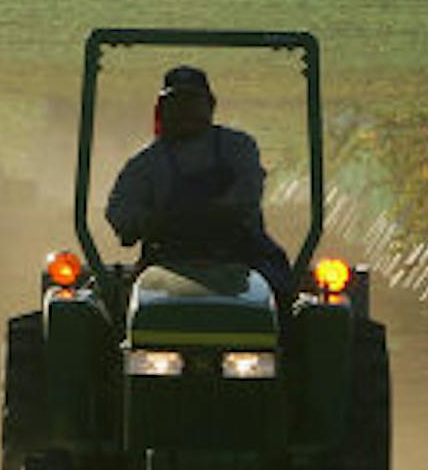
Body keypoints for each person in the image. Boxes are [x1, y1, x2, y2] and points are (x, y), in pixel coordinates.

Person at [104, 65, 296, 298]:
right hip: (168, 259)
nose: (185, 111)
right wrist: (149, 221)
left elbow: (248, 192)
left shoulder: (237, 147)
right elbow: (120, 210)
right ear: (163, 110)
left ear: (210, 106)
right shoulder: (147, 163)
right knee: (118, 300)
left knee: (281, 291)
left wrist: (215, 212)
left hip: (243, 255)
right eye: (177, 103)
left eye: (193, 102)